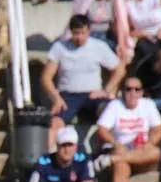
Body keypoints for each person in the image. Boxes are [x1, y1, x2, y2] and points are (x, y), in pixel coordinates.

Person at [41, 14, 125, 151]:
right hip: (68, 95)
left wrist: (106, 90)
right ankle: (42, 162)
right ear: (71, 32)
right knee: (55, 124)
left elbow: (119, 70)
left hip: (93, 95)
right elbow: (46, 77)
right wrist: (56, 98)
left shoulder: (99, 46)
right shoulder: (59, 47)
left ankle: (109, 151)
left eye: (83, 33)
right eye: (76, 33)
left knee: (109, 112)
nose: (79, 37)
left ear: (89, 31)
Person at [93, 75, 161, 182]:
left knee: (155, 152)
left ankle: (113, 159)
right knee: (121, 165)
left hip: (142, 152)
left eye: (137, 89)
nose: (133, 93)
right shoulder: (115, 105)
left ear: (142, 92)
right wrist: (116, 143)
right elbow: (102, 129)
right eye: (128, 89)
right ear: (122, 91)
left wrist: (149, 143)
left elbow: (158, 129)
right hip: (123, 148)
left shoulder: (148, 104)